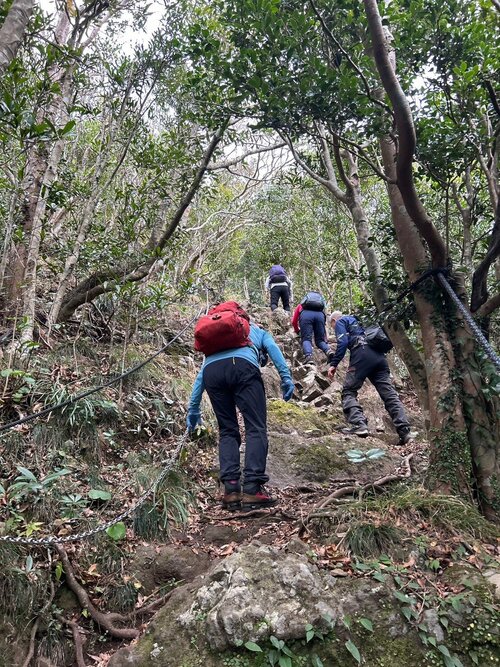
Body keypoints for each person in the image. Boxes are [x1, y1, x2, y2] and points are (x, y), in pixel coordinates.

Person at [186, 308, 295, 511]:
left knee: (227, 430)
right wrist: (286, 378)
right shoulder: (255, 330)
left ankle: (231, 489)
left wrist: (193, 409)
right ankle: (253, 489)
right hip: (243, 367)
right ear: (242, 319)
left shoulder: (214, 345)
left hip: (213, 374)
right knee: (255, 427)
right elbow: (273, 349)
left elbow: (202, 374)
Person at [327, 311, 412, 444]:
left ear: (333, 321)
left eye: (332, 326)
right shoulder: (363, 319)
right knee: (389, 395)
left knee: (349, 390)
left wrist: (333, 364)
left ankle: (359, 424)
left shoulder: (341, 322)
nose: (334, 328)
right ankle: (405, 432)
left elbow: (342, 342)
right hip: (380, 357)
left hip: (361, 354)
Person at [291, 290, 330, 363]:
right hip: (320, 316)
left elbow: (294, 321)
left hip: (306, 315)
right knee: (319, 340)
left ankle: (309, 356)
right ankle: (329, 351)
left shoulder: (301, 306)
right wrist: (326, 339)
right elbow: (323, 326)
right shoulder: (320, 307)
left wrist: (297, 331)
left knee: (306, 339)